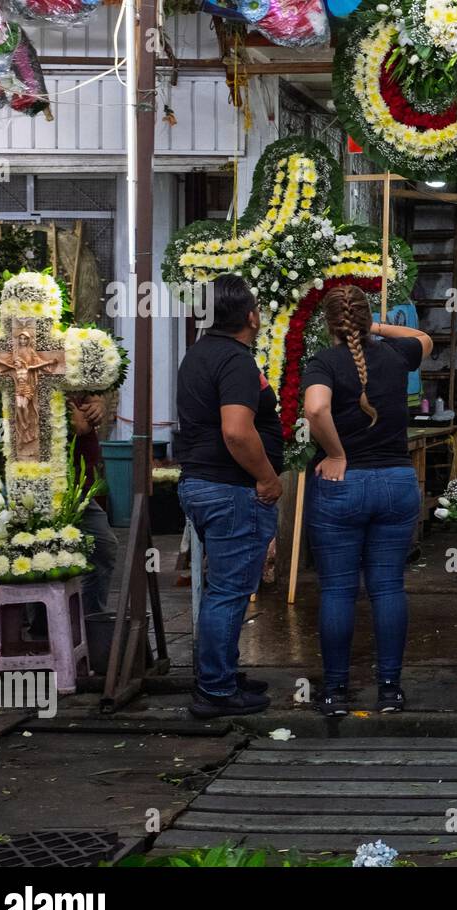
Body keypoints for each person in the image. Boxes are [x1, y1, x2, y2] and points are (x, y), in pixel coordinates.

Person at [302, 285, 432, 716]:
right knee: (388, 588)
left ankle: (336, 692)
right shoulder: (395, 357)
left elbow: (315, 409)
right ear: (365, 319)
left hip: (344, 484)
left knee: (338, 590)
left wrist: (336, 453)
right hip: (395, 482)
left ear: (328, 323)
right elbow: (423, 340)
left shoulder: (324, 361)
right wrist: (372, 326)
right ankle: (390, 690)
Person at [176, 275, 283, 718]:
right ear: (251, 316)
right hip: (231, 488)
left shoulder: (198, 355)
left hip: (202, 484)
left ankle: (219, 672)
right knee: (229, 590)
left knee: (223, 588)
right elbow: (237, 432)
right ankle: (216, 691)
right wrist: (266, 478)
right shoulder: (236, 361)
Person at [69, 394, 118, 618]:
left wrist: (98, 404)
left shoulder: (80, 362)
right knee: (43, 551)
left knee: (103, 546)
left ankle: (91, 619)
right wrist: (76, 417)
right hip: (47, 479)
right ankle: (42, 628)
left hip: (80, 486)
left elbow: (92, 393)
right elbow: (77, 425)